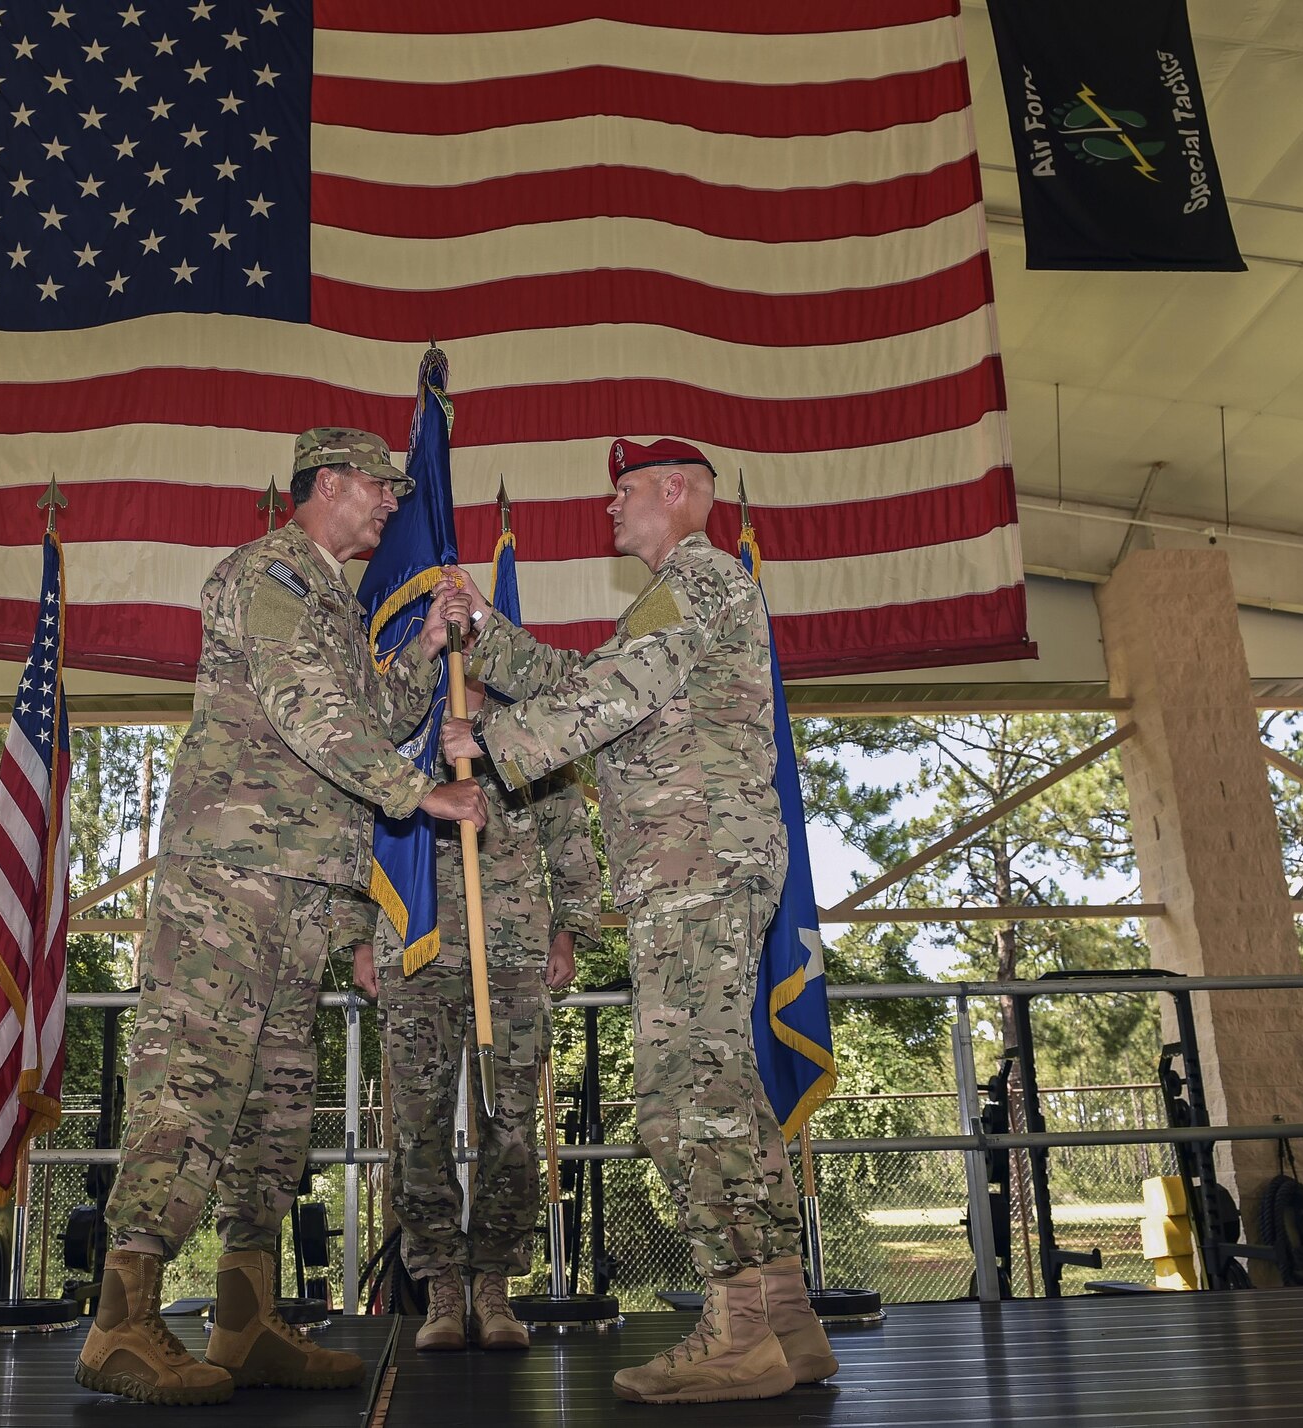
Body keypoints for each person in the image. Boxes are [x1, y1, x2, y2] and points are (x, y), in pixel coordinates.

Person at [75, 428, 487, 1407]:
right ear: (331, 484)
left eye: (396, 492)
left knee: (272, 1108)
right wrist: (415, 794)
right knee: (195, 1086)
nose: (391, 506)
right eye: (378, 491)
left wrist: (427, 650)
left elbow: (373, 709)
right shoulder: (267, 574)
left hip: (298, 891)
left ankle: (242, 1318)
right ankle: (118, 1323)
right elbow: (311, 712)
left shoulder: (332, 599)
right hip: (231, 882)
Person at [439, 438, 836, 1405]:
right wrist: (484, 635)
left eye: (623, 493)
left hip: (696, 868)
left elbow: (606, 696)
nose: (610, 510)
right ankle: (784, 1316)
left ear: (675, 491)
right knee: (730, 1092)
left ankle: (735, 1328)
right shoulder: (690, 596)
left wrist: (483, 745)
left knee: (678, 1097)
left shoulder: (695, 582)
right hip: (704, 866)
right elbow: (593, 678)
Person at [348, 690, 604, 1353]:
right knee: (416, 1126)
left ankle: (493, 1288)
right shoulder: (398, 729)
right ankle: (440, 1288)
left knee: (512, 1128)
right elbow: (357, 833)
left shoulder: (531, 733)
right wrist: (356, 938)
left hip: (513, 953)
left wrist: (569, 931)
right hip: (415, 949)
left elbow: (568, 833)